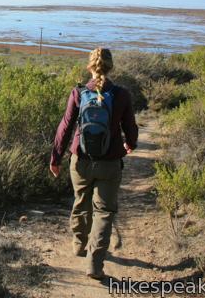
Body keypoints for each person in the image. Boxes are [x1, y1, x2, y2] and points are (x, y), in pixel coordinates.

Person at [49, 47, 138, 280]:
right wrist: (130, 144)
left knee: (81, 202)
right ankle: (95, 265)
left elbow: (65, 127)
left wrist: (55, 158)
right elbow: (130, 127)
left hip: (81, 160)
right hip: (110, 162)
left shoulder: (78, 93)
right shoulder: (121, 94)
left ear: (90, 66)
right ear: (110, 66)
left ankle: (79, 245)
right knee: (104, 212)